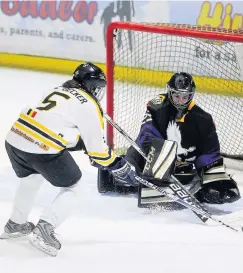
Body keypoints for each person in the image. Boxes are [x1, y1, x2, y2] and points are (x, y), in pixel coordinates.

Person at [0, 62, 137, 256]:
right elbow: (98, 152)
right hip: (39, 147)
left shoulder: (56, 89)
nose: (99, 93)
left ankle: (16, 224)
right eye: (98, 88)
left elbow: (53, 125)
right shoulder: (89, 104)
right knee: (76, 187)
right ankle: (44, 229)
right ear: (92, 87)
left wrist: (84, 146)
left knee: (31, 178)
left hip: (15, 138)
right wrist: (119, 165)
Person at [100, 72, 240, 208]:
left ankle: (191, 189)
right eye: (176, 96)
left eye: (185, 97)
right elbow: (147, 135)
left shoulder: (203, 119)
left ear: (191, 95)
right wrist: (162, 160)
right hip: (148, 159)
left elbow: (209, 151)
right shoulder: (157, 107)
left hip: (181, 167)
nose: (180, 101)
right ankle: (148, 182)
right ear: (169, 91)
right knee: (114, 179)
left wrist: (211, 179)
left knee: (224, 190)